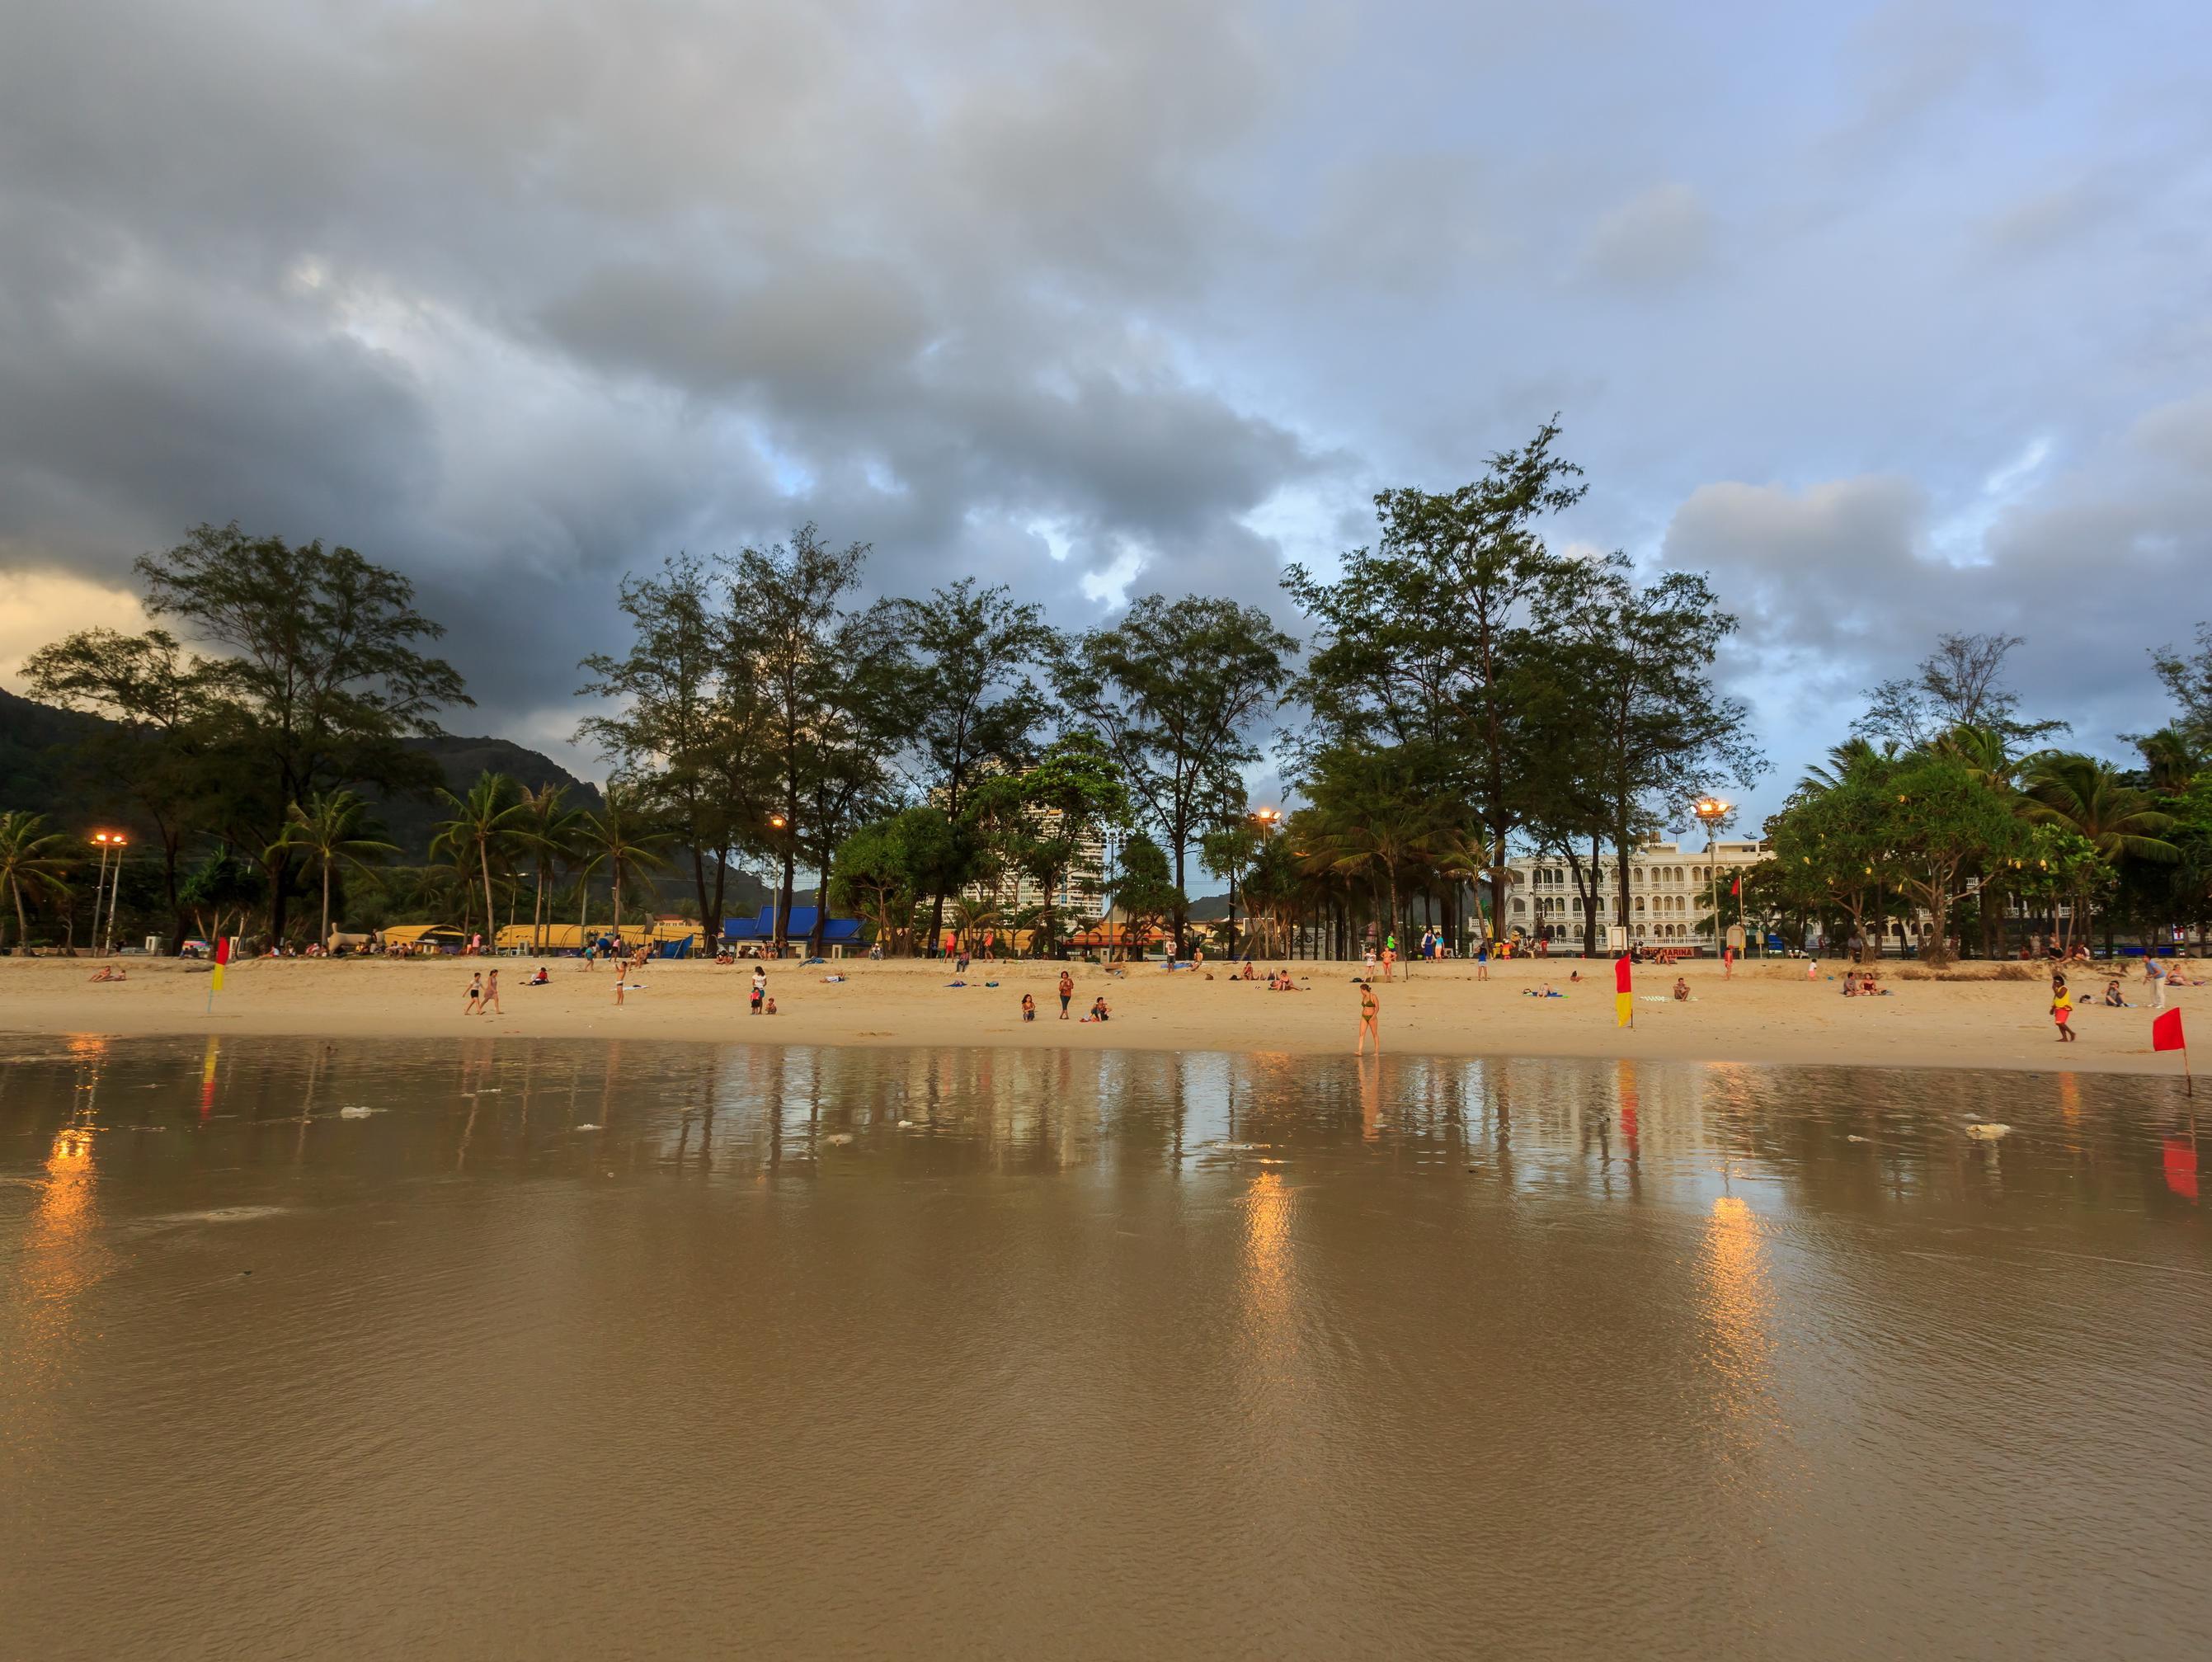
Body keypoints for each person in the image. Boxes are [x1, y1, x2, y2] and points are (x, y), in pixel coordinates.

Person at [1356, 978, 1380, 1054]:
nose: (1360, 992)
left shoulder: (1373, 996)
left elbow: (1377, 1007)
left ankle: (1376, 1052)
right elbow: (1365, 1007)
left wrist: (1373, 1016)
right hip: (1364, 1017)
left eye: (1361, 990)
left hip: (1372, 1017)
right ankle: (1360, 1051)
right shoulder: (1363, 997)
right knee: (1361, 1034)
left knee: (1374, 1034)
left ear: (1364, 990)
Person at [2051, 970, 2074, 1042]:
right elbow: (2055, 1000)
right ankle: (2064, 1037)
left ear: (2060, 983)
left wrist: (2054, 990)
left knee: (2060, 1022)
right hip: (2058, 1009)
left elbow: (2060, 996)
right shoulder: (2058, 989)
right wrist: (2052, 1008)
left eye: (2055, 982)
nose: (2054, 984)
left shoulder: (2064, 988)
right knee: (2059, 1024)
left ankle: (2072, 1033)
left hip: (2064, 1008)